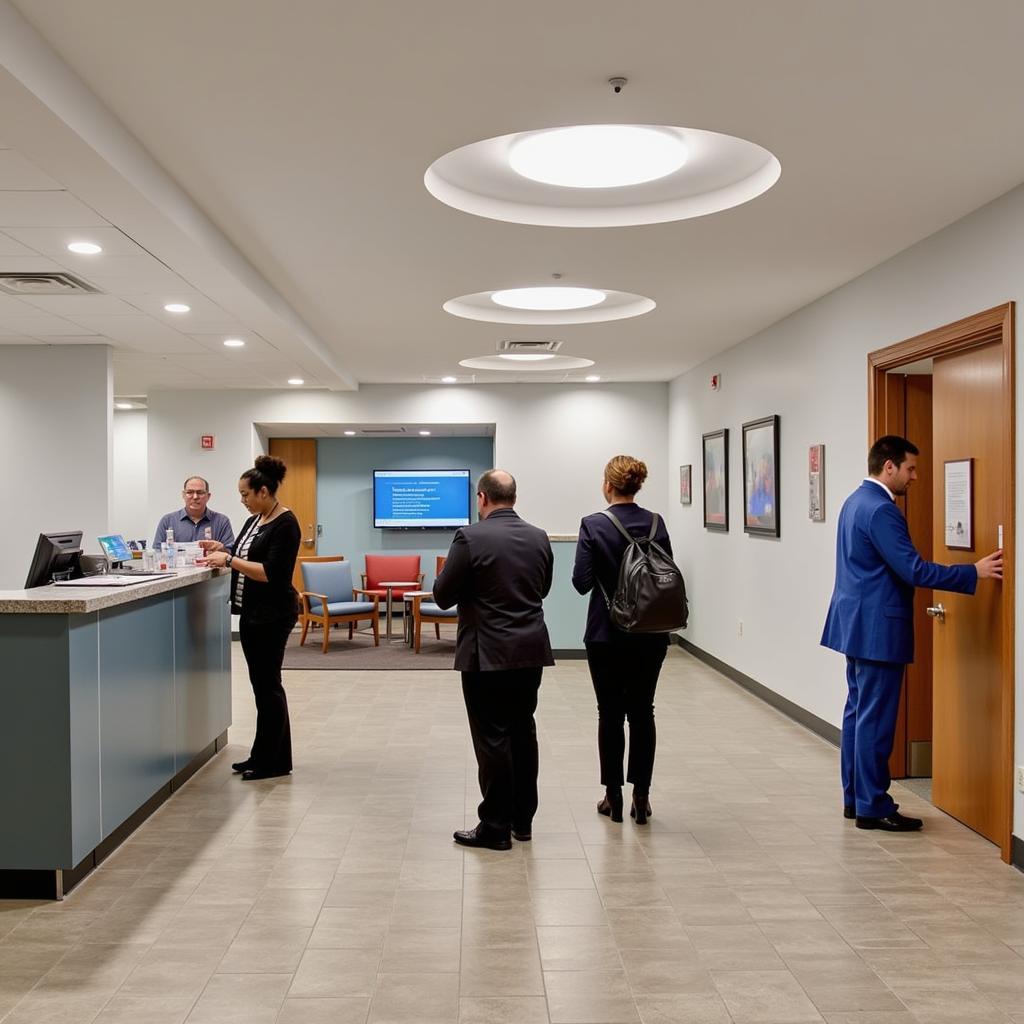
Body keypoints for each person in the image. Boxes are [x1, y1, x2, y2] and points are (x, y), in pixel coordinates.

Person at [821, 435, 1003, 831]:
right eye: (911, 469)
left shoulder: (854, 501)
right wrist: (973, 571)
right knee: (875, 719)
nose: (914, 477)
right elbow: (914, 570)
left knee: (857, 713)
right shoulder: (882, 510)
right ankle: (872, 805)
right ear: (889, 466)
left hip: (855, 625)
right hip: (877, 630)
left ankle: (856, 798)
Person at [433, 469, 554, 850]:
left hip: (486, 654)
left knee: (492, 739)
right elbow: (543, 588)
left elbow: (442, 595)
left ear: (482, 498)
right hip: (530, 651)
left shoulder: (469, 537)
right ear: (513, 497)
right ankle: (523, 821)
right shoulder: (538, 537)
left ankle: (496, 827)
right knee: (523, 731)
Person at [572, 455, 672, 826]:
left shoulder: (593, 525)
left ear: (608, 485)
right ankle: (641, 798)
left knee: (610, 714)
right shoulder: (657, 523)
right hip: (650, 633)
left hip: (606, 633)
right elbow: (665, 575)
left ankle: (613, 796)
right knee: (643, 712)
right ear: (637, 486)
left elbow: (581, 583)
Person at [199, 455, 300, 781]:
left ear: (264, 491)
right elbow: (243, 552)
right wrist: (223, 547)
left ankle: (275, 761)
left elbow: (272, 573)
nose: (242, 500)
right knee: (261, 687)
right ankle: (261, 753)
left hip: (273, 616)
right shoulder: (256, 520)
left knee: (269, 686)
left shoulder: (285, 524)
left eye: (246, 494)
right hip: (252, 615)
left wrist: (229, 558)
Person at [153, 476, 235, 550]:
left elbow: (230, 553)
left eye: (200, 492)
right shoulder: (168, 521)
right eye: (190, 492)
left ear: (208, 496)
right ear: (183, 495)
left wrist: (221, 549)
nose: (195, 497)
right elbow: (157, 551)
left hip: (212, 567)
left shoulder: (222, 521)